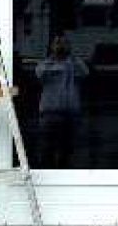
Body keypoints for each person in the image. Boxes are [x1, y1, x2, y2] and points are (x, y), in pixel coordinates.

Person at [35, 35, 88, 168]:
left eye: (64, 43)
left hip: (70, 112)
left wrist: (71, 56)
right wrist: (54, 59)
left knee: (67, 149)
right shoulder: (46, 64)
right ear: (52, 46)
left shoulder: (74, 63)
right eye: (58, 43)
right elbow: (39, 74)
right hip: (49, 112)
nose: (61, 46)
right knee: (47, 148)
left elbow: (85, 73)